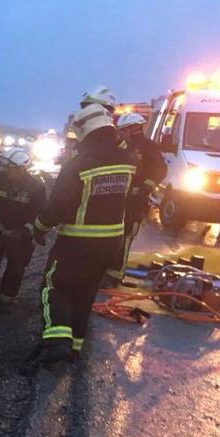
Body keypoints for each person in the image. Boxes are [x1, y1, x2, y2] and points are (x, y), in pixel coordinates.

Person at [24, 104, 135, 365]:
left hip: (77, 241)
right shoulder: (127, 161)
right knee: (85, 292)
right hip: (111, 243)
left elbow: (59, 205)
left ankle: (56, 344)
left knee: (55, 286)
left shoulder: (79, 164)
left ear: (84, 131)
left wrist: (38, 227)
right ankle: (74, 347)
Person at [0, 148, 47, 309]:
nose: (6, 171)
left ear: (22, 169)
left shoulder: (36, 187)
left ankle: (6, 300)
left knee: (16, 267)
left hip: (21, 234)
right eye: (5, 168)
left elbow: (41, 215)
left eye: (10, 169)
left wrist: (27, 231)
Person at [104, 112, 167, 285]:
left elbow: (160, 170)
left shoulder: (149, 147)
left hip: (135, 201)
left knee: (124, 237)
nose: (122, 133)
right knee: (110, 235)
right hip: (116, 198)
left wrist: (146, 187)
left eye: (124, 129)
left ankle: (114, 276)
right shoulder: (121, 146)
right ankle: (104, 270)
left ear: (133, 128)